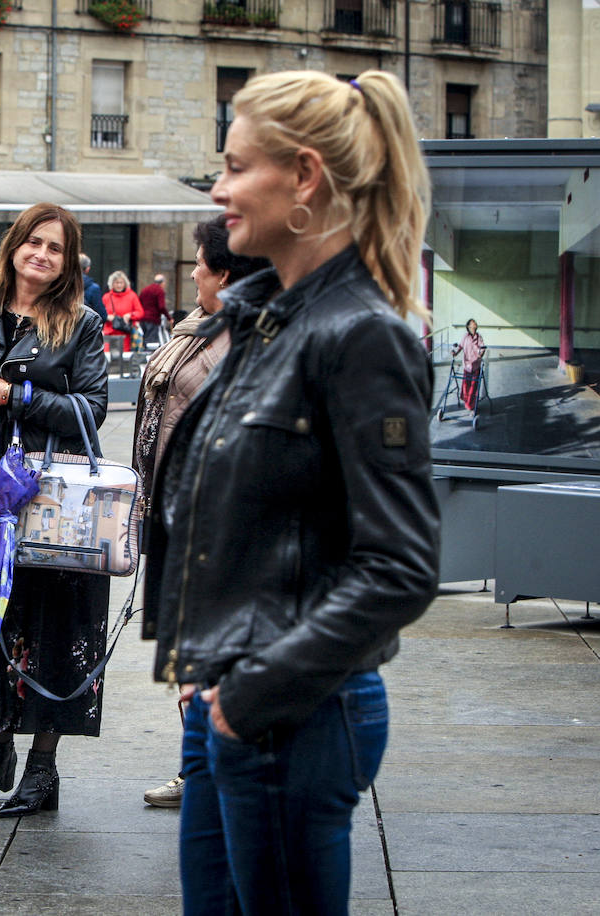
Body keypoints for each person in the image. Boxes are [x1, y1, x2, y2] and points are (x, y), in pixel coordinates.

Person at [143, 70, 440, 914]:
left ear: (304, 177)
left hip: (294, 714)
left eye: (236, 167)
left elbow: (401, 567)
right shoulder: (271, 316)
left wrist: (250, 692)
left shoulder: (361, 334)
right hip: (235, 699)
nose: (219, 188)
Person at [0, 202, 110, 818]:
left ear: (68, 261)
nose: (42, 254)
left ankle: (42, 767)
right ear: (15, 245)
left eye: (56, 247)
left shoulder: (81, 323)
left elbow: (92, 408)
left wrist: (21, 394)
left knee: (50, 621)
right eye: (34, 242)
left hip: (49, 488)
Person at [133, 215, 269, 810]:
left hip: (212, 522)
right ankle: (198, 772)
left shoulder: (239, 341)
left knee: (205, 661)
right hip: (176, 513)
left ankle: (209, 775)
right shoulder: (201, 328)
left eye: (201, 265)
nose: (192, 273)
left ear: (227, 275)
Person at [101, 270, 143, 352]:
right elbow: (100, 313)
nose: (119, 285)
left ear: (125, 284)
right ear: (112, 284)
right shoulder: (106, 297)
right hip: (110, 334)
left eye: (121, 283)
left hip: (126, 335)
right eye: (116, 283)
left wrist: (130, 315)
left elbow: (140, 312)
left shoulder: (132, 296)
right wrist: (107, 316)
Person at [454, 318, 486, 410]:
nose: (475, 323)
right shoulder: (465, 337)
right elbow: (460, 346)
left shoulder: (479, 337)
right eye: (473, 323)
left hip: (476, 364)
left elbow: (482, 347)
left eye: (475, 322)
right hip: (467, 365)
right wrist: (455, 353)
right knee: (466, 384)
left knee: (473, 387)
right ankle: (466, 400)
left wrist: (481, 353)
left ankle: (470, 406)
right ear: (469, 326)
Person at [138, 273, 168, 346]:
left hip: (142, 319)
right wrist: (169, 317)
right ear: (163, 283)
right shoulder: (159, 290)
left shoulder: (145, 289)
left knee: (144, 339)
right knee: (152, 342)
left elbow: (139, 302)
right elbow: (162, 307)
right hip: (153, 319)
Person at [78, 252, 105, 321]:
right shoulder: (94, 288)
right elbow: (102, 315)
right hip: (86, 328)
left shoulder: (63, 285)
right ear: (88, 269)